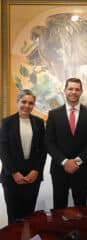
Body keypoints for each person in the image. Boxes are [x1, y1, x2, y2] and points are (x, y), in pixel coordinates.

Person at [46, 78, 87, 209]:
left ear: (81, 92)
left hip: (82, 168)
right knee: (59, 207)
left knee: (81, 206)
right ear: (64, 91)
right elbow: (49, 142)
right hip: (59, 168)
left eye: (77, 89)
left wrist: (78, 161)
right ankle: (59, 230)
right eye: (70, 89)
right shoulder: (53, 114)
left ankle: (80, 230)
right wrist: (65, 161)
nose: (73, 92)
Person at [0, 89, 46, 224]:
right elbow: (3, 149)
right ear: (17, 102)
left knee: (29, 216)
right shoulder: (7, 122)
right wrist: (14, 172)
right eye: (24, 102)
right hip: (12, 178)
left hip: (33, 177)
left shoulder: (39, 122)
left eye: (31, 103)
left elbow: (43, 150)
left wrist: (36, 170)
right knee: (14, 217)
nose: (27, 105)